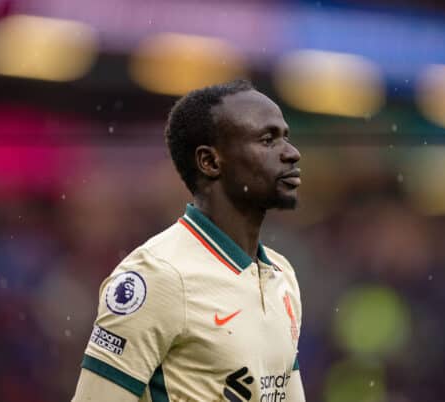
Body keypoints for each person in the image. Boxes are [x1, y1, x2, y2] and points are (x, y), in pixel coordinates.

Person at [72, 80, 305, 401]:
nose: (291, 154)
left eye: (286, 138)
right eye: (267, 140)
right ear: (210, 162)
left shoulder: (282, 276)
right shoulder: (157, 276)